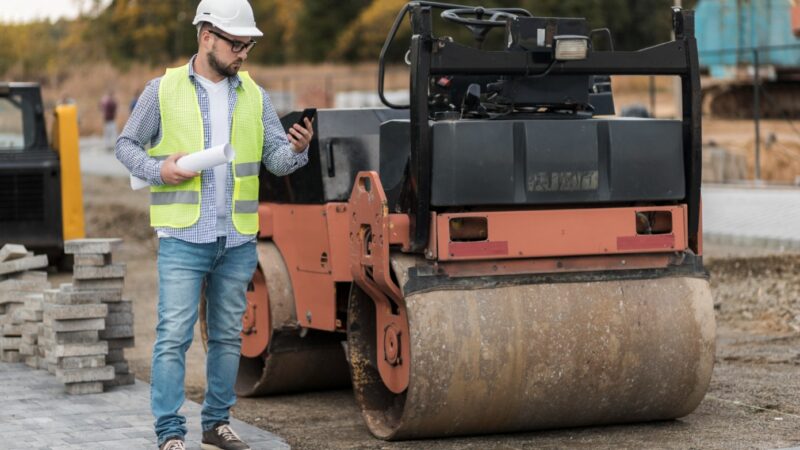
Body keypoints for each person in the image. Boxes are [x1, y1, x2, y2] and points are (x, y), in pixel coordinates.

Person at [115, 1, 313, 449]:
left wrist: (299, 149)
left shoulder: (256, 96)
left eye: (248, 46)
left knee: (227, 336)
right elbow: (125, 145)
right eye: (236, 44)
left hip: (238, 239)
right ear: (207, 37)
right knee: (173, 338)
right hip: (183, 237)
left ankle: (216, 423)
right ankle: (169, 433)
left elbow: (276, 162)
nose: (243, 54)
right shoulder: (161, 90)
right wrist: (157, 170)